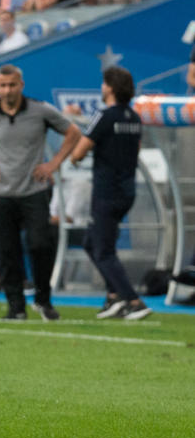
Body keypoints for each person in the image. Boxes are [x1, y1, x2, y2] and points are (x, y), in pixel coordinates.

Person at [0, 64, 80, 320]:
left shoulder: (41, 110)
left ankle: (43, 301)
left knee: (40, 245)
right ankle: (16, 307)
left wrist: (54, 164)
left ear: (21, 85)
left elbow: (73, 132)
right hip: (1, 194)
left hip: (34, 192)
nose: (7, 90)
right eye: (2, 85)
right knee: (7, 252)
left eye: (12, 85)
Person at [70, 66, 152, 320]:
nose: (102, 87)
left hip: (106, 191)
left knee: (103, 251)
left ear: (110, 87)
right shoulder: (134, 118)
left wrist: (75, 156)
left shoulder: (105, 116)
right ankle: (114, 297)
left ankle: (133, 301)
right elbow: (136, 150)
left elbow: (79, 152)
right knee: (91, 243)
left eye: (104, 83)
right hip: (127, 190)